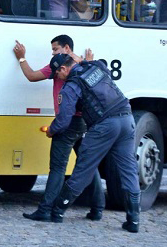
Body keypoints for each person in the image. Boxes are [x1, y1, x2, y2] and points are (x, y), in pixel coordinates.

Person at [46, 53, 141, 233]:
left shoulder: (72, 85)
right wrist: (84, 60)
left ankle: (58, 211)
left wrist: (51, 131)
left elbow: (64, 120)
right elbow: (103, 68)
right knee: (129, 170)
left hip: (103, 126)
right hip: (127, 120)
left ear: (64, 69)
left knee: (84, 169)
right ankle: (134, 220)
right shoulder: (95, 67)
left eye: (57, 73)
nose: (57, 77)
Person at [14, 35, 104, 222]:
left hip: (67, 122)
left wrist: (22, 58)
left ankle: (45, 210)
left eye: (55, 49)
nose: (53, 54)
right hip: (84, 121)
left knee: (57, 168)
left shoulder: (58, 66)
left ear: (66, 48)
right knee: (87, 164)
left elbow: (31, 76)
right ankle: (98, 208)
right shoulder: (85, 64)